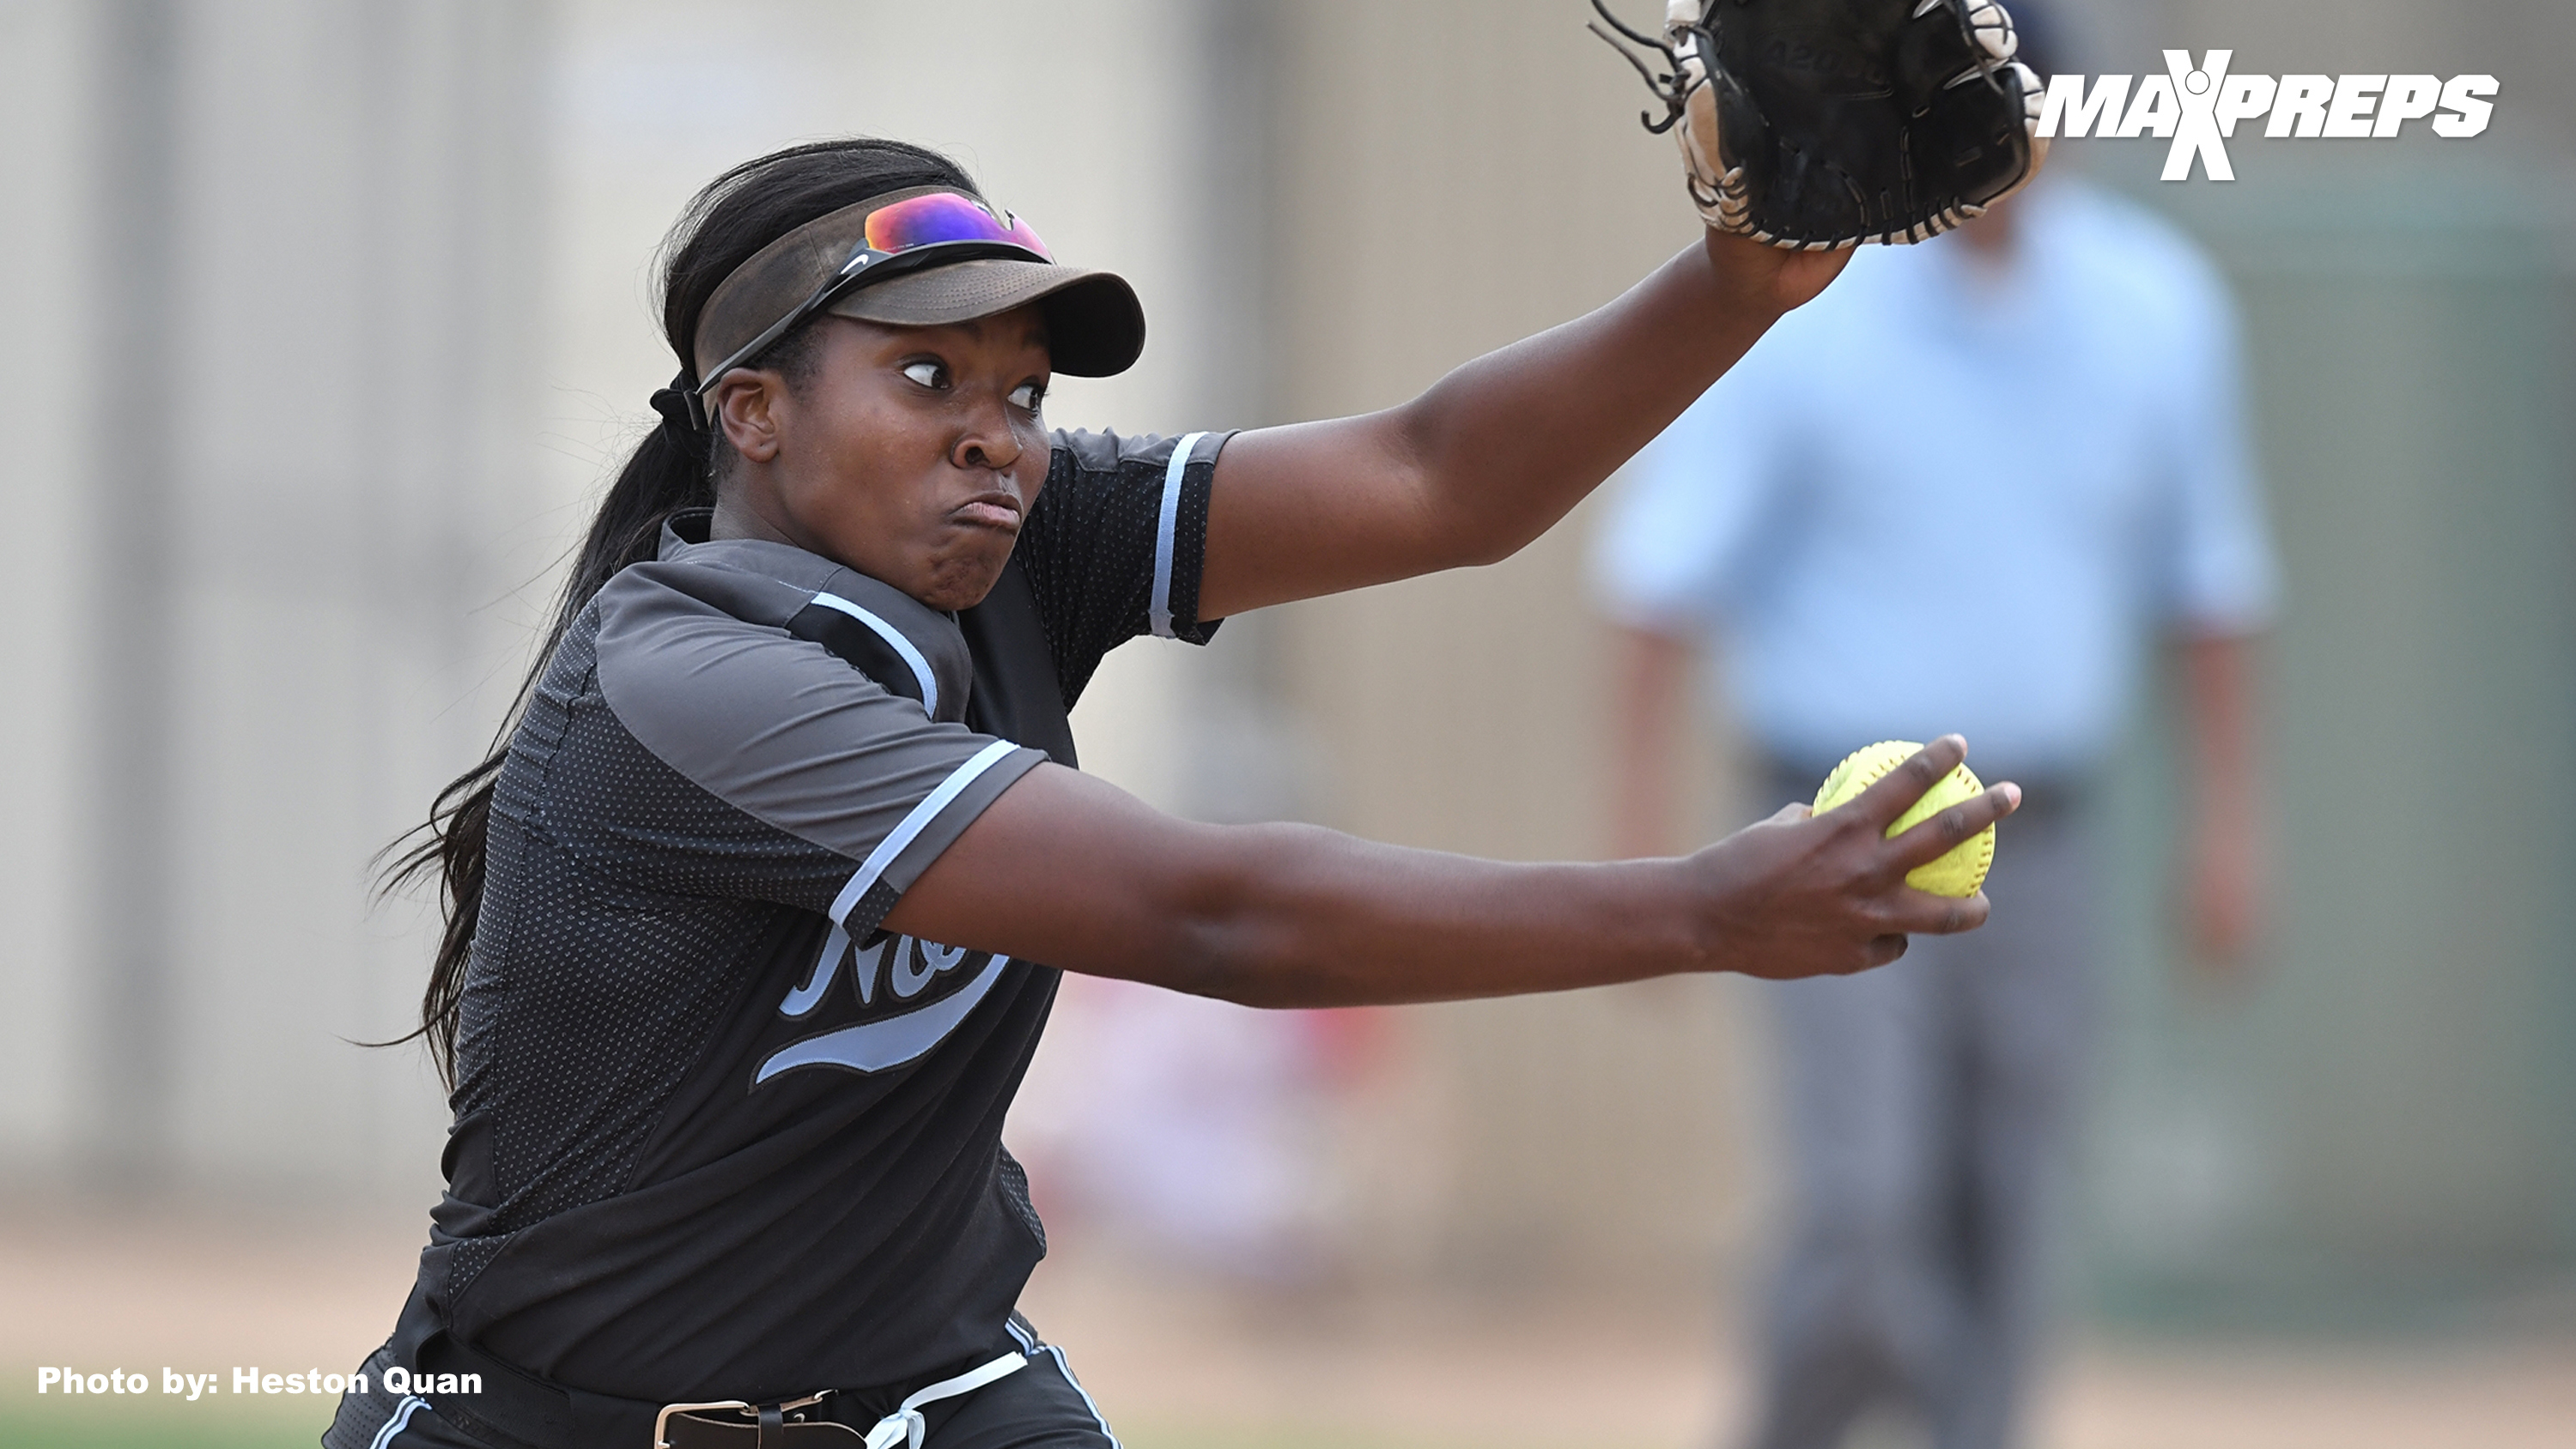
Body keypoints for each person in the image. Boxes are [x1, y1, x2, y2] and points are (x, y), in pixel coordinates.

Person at [325, 136, 2019, 1449]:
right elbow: (1210, 910)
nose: (998, 433)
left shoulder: (1011, 545)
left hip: (925, 1387)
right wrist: (1697, 908)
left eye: (1024, 392)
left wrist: (1741, 277)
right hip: (554, 1415)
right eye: (928, 376)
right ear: (751, 412)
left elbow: (1439, 480)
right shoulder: (689, 678)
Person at [1593, 115, 2277, 1449]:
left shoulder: (2154, 303)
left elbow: (2210, 586)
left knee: (2010, 1206)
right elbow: (1662, 581)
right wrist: (1643, 838)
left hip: (2050, 835)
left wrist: (2233, 828)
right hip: (1832, 820)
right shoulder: (1820, 303)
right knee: (1865, 1202)